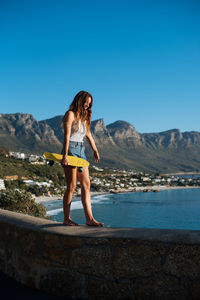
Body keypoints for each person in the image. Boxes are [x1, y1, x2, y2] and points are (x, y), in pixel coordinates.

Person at [61, 91, 104, 227]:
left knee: (86, 185)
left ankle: (89, 219)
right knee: (72, 186)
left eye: (89, 104)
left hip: (81, 150)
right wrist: (65, 156)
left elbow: (88, 135)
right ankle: (67, 218)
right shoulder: (70, 114)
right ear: (79, 101)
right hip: (71, 149)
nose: (87, 106)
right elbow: (67, 136)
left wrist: (95, 150)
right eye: (86, 103)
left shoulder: (85, 116)